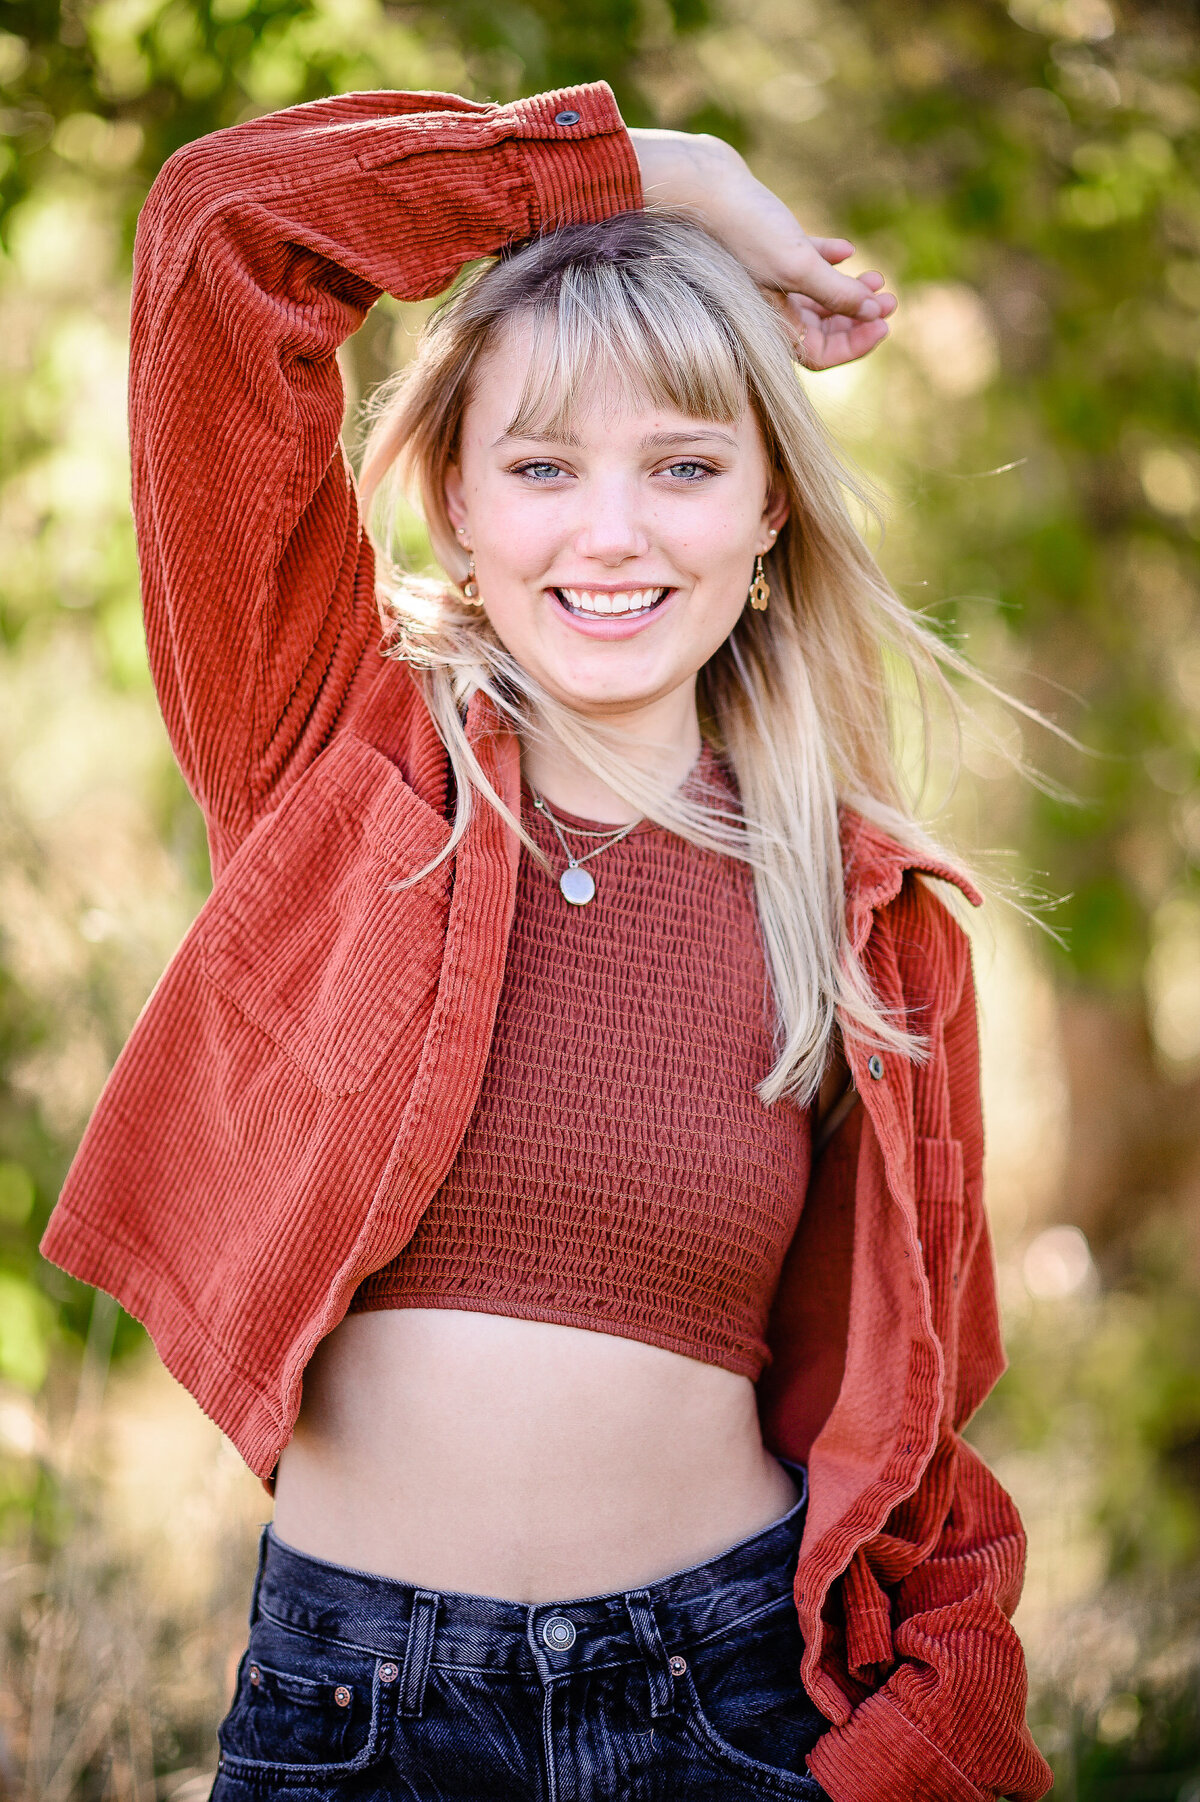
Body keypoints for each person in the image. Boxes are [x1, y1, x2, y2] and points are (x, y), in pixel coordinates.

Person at [40, 80, 1054, 1802]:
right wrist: (660, 173)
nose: (610, 531)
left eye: (682, 466)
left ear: (765, 518)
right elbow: (225, 231)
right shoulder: (335, 767)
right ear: (453, 495)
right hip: (356, 1710)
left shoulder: (866, 919)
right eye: (541, 465)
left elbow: (917, 1448)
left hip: (724, 1706)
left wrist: (906, 1758)